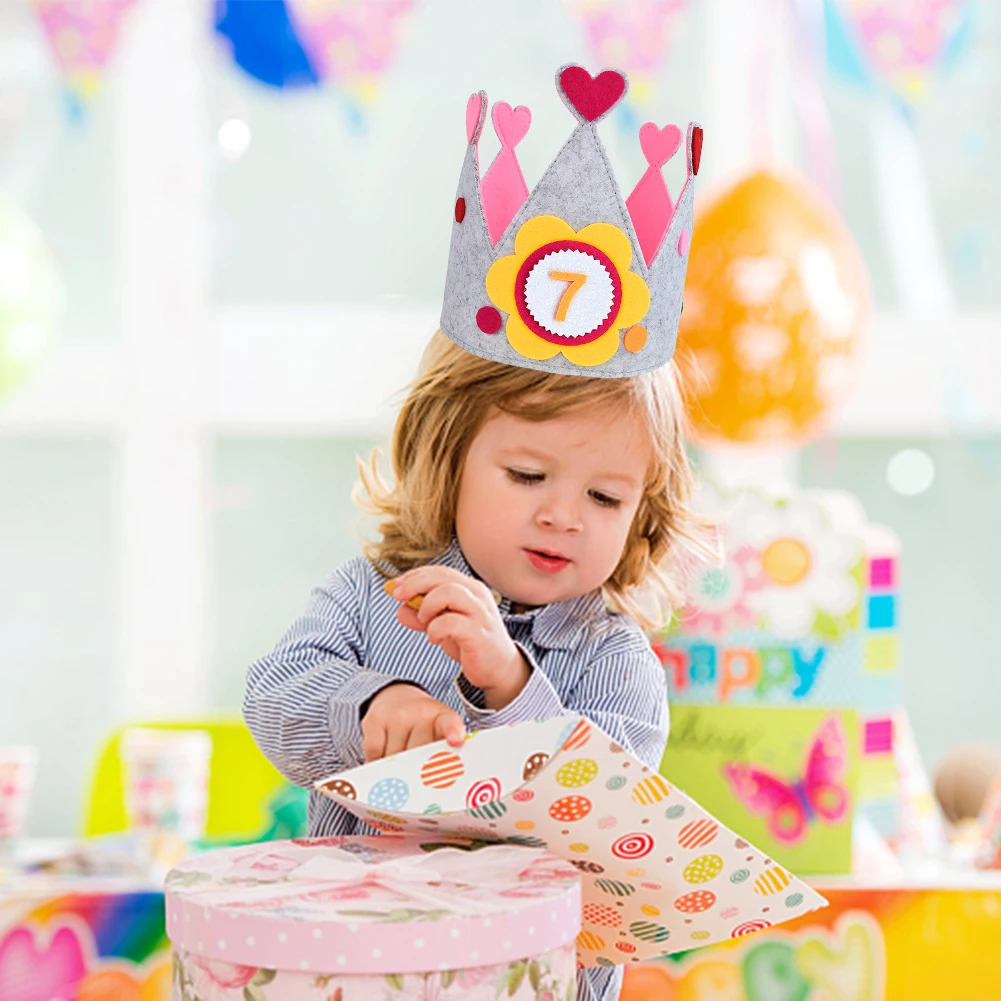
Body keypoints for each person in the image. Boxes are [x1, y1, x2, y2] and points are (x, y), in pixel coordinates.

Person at [245, 64, 703, 1001]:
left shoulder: (616, 659)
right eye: (528, 475)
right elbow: (273, 697)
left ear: (643, 512)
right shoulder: (371, 593)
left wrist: (508, 682)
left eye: (608, 498)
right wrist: (370, 709)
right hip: (357, 972)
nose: (563, 512)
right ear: (449, 454)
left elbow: (606, 820)